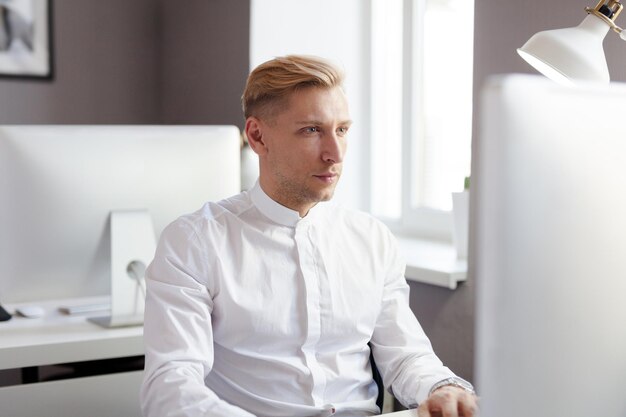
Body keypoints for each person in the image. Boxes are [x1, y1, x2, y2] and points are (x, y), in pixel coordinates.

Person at [140, 55, 478, 417]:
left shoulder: (371, 239)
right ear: (257, 136)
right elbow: (170, 388)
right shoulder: (195, 242)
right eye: (311, 130)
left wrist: (443, 388)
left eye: (343, 130)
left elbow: (407, 356)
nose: (334, 153)